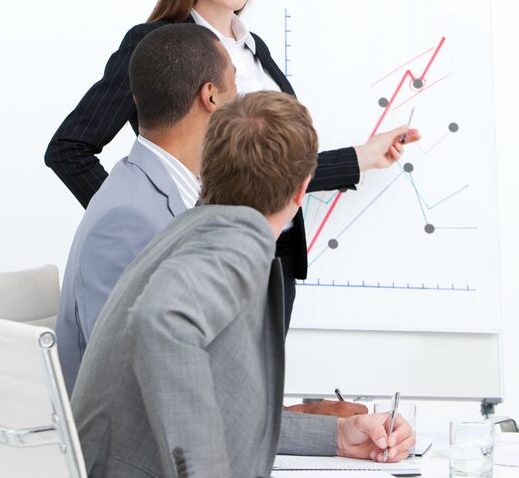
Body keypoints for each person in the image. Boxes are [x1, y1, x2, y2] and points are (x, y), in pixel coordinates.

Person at [45, 0, 419, 330]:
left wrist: (362, 156)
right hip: (202, 261)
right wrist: (155, 231)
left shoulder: (253, 50)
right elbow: (69, 148)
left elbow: (268, 170)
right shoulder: (160, 45)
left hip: (271, 260)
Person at [71, 91, 415, 478]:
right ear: (302, 189)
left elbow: (229, 412)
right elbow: (160, 319)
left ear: (209, 164)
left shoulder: (193, 229)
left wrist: (335, 435)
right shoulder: (238, 237)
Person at [56, 23, 237, 395]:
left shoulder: (170, 194)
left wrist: (325, 430)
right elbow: (137, 389)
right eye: (235, 83)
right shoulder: (128, 219)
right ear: (211, 97)